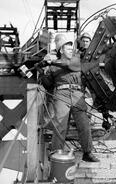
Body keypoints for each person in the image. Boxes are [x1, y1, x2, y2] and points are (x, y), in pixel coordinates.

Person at [40, 34, 99, 162]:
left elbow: (71, 65)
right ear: (61, 50)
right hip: (62, 95)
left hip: (78, 95)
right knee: (60, 125)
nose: (71, 50)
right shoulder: (53, 66)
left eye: (72, 47)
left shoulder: (76, 59)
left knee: (84, 124)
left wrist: (51, 61)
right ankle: (56, 152)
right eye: (67, 48)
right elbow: (48, 85)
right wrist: (42, 71)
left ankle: (87, 152)